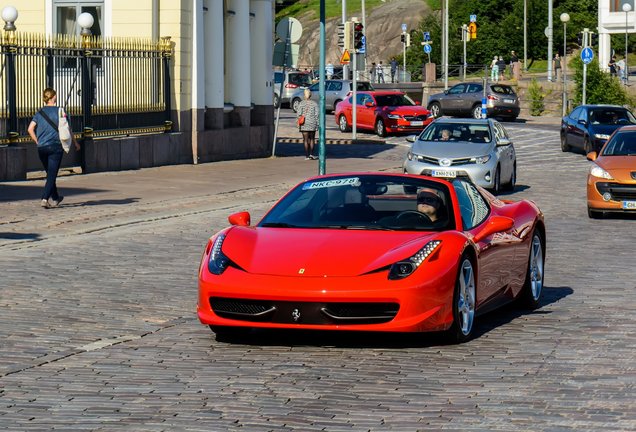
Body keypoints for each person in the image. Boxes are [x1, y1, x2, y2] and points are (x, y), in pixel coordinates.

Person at [27, 88, 80, 209]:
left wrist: (38, 141)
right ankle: (45, 198)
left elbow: (30, 129)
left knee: (50, 173)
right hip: (55, 147)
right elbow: (68, 129)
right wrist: (75, 143)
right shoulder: (60, 111)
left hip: (42, 148)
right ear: (53, 97)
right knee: (52, 174)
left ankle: (55, 197)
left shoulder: (39, 113)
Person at [296, 88, 319, 160]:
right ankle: (311, 154)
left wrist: (299, 121)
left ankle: (306, 156)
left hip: (304, 124)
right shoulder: (314, 103)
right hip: (312, 123)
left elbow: (299, 114)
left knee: (305, 140)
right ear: (310, 95)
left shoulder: (301, 103)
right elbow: (317, 115)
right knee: (312, 139)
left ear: (304, 95)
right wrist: (317, 124)